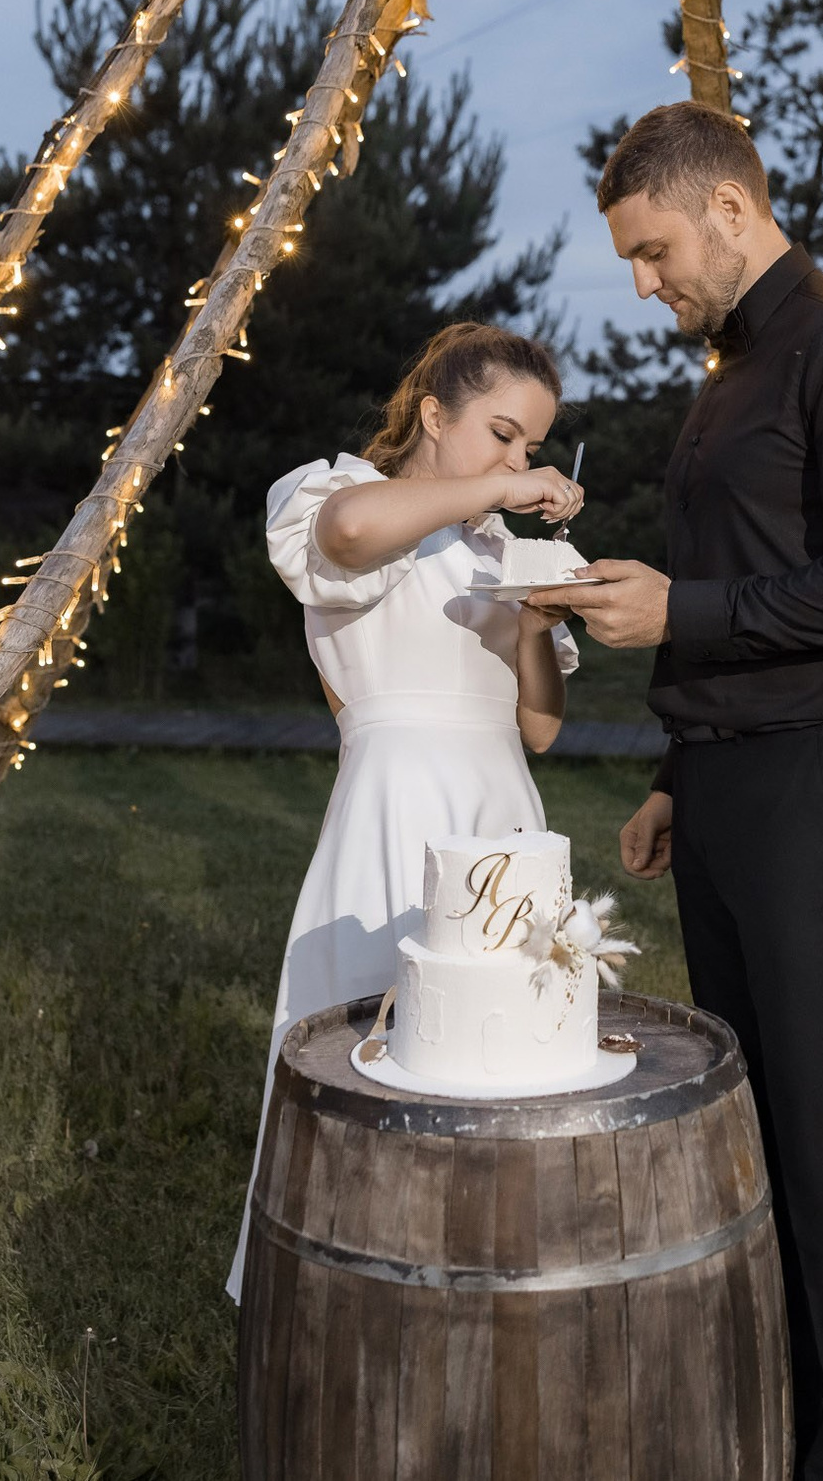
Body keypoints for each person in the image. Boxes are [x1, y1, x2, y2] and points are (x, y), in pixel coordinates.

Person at [534, 101, 823, 1481]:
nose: (644, 284)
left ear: (727, 205)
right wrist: (679, 767)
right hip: (727, 784)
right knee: (754, 1117)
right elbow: (748, 581)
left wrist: (683, 609)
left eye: (652, 251)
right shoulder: (729, 372)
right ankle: (782, 1420)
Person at [225, 321, 586, 1301]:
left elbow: (541, 727)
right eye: (502, 435)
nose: (518, 463)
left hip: (503, 812)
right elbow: (347, 536)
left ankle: (487, 1278)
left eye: (532, 448)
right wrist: (499, 491)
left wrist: (535, 624)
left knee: (503, 1048)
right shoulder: (341, 496)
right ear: (433, 413)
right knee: (375, 1050)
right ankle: (350, 1293)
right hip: (394, 807)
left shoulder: (503, 548)